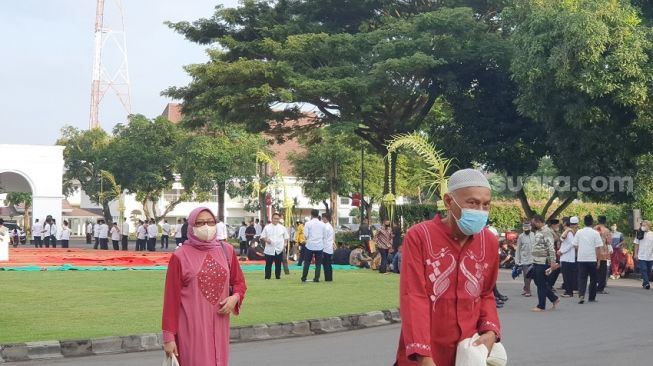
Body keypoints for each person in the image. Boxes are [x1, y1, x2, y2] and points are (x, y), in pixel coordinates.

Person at [395, 169, 500, 366]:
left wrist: (491, 331)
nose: (480, 210)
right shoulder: (420, 237)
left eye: (486, 205)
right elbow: (413, 297)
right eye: (472, 202)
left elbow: (486, 294)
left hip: (468, 353)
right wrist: (424, 357)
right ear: (448, 201)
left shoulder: (490, 242)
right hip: (426, 353)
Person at [162, 206, 247, 366]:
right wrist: (168, 337)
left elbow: (239, 283)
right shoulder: (180, 256)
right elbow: (171, 300)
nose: (206, 227)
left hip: (220, 325)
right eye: (200, 223)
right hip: (191, 329)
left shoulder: (226, 251)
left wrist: (234, 298)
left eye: (210, 222)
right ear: (191, 226)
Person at [529, 215, 560, 312]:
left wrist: (552, 262)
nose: (532, 225)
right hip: (537, 261)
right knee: (539, 282)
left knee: (541, 284)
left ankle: (541, 306)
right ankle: (554, 299)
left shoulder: (546, 232)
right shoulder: (539, 231)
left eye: (534, 223)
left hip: (543, 262)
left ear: (539, 222)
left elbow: (551, 248)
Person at [573, 215, 603, 304]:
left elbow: (575, 245)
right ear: (592, 222)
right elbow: (598, 248)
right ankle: (591, 297)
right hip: (592, 258)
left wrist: (580, 250)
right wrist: (599, 260)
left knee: (582, 277)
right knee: (593, 278)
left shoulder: (579, 232)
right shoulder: (595, 233)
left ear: (584, 222)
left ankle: (581, 295)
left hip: (581, 258)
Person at [260, 213, 289, 280]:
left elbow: (286, 237)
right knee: (268, 264)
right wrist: (266, 240)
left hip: (279, 249)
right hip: (269, 249)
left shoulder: (282, 228)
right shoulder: (267, 227)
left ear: (279, 219)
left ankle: (278, 277)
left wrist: (284, 245)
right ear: (272, 219)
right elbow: (262, 236)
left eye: (277, 219)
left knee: (278, 264)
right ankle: (267, 277)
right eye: (275, 218)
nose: (276, 220)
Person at [302, 209, 326, 283]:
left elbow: (305, 235)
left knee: (307, 262)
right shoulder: (322, 224)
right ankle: (316, 278)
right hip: (319, 245)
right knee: (318, 263)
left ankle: (304, 277)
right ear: (318, 214)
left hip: (310, 245)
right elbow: (324, 236)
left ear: (311, 215)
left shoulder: (308, 224)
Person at [558, 217, 579, 297]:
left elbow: (571, 244)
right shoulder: (568, 231)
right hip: (566, 257)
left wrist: (561, 251)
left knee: (568, 276)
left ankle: (569, 292)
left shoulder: (569, 232)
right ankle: (568, 291)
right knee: (566, 275)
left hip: (568, 257)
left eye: (563, 222)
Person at [516, 222, 535, 297]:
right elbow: (518, 249)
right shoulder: (521, 236)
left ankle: (526, 287)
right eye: (525, 229)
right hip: (524, 259)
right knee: (526, 275)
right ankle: (528, 290)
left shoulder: (534, 235)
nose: (526, 230)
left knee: (530, 275)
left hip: (533, 258)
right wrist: (517, 260)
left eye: (528, 228)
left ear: (530, 228)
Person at [594, 216, 612, 294]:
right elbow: (609, 242)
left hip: (594, 252)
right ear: (605, 221)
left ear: (598, 220)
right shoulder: (607, 230)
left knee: (594, 270)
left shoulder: (594, 229)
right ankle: (600, 288)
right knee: (602, 271)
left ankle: (593, 286)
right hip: (603, 253)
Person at [634, 220, 653, 290]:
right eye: (642, 225)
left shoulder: (652, 234)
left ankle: (645, 283)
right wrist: (635, 253)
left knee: (648, 271)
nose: (643, 227)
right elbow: (636, 244)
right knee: (644, 269)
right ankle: (647, 283)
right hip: (641, 256)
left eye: (645, 225)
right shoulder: (639, 233)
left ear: (648, 226)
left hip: (650, 256)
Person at [322, 213, 335, 282]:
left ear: (325, 218)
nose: (322, 219)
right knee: (328, 264)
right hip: (329, 247)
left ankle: (327, 278)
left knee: (326, 264)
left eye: (323, 218)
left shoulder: (326, 226)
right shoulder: (330, 226)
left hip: (326, 247)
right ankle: (329, 278)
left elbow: (324, 237)